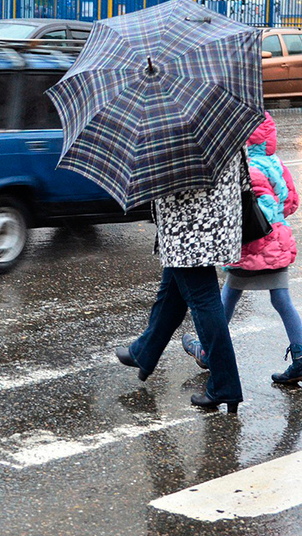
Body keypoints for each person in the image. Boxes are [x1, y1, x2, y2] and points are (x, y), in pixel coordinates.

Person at [181, 113, 302, 385]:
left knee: (227, 298)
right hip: (277, 244)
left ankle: (208, 352)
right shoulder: (275, 163)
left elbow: (245, 210)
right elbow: (290, 202)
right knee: (281, 301)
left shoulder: (246, 167)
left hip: (251, 247)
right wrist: (275, 218)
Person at [115, 157, 245, 414]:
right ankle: (145, 351)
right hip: (211, 221)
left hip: (189, 228)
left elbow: (168, 175)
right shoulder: (217, 122)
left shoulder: (176, 128)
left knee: (204, 300)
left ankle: (225, 385)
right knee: (171, 293)